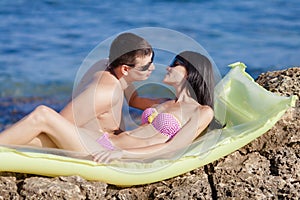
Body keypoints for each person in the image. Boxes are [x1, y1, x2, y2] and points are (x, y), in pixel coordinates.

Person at [0, 51, 215, 163]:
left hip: (109, 152)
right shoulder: (164, 103)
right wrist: (118, 65)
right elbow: (133, 99)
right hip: (101, 140)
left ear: (191, 71)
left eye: (176, 62)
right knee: (37, 139)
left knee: (43, 115)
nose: (167, 66)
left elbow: (172, 148)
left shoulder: (202, 112)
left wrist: (123, 155)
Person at [0, 32, 159, 151]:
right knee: (42, 115)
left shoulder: (109, 66)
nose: (152, 68)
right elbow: (60, 124)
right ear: (125, 69)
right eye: (146, 66)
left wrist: (170, 102)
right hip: (98, 147)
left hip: (103, 140)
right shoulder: (104, 93)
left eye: (152, 61)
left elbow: (134, 100)